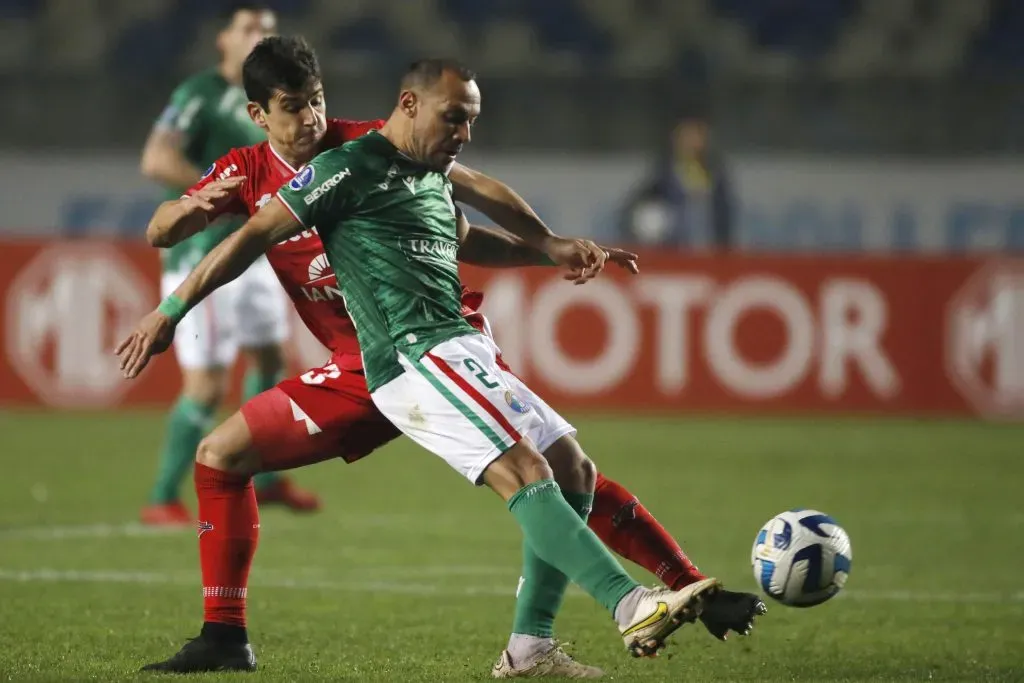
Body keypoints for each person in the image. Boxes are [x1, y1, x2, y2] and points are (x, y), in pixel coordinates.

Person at [120, 43, 764, 677]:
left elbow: (465, 216)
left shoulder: (374, 146)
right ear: (259, 115)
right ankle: (224, 636)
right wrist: (186, 216)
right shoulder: (256, 171)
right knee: (221, 455)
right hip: (375, 363)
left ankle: (588, 623)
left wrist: (547, 246)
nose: (311, 118)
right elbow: (178, 231)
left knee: (567, 468)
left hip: (436, 345)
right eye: (293, 107)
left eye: (317, 101)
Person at [138, 2, 318, 524]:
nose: (260, 34)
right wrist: (209, 193)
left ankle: (265, 478)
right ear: (223, 39)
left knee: (270, 358)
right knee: (207, 386)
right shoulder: (202, 94)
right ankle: (162, 496)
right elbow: (156, 158)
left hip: (255, 249)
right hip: (205, 252)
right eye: (248, 27)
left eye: (266, 27)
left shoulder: (269, 98)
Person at [620, 108, 734, 250]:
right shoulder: (662, 173)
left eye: (698, 134)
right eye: (687, 134)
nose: (693, 141)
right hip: (674, 250)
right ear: (676, 137)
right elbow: (637, 212)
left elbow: (724, 216)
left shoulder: (715, 173)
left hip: (708, 248)